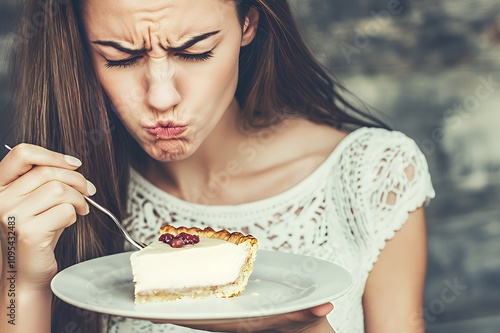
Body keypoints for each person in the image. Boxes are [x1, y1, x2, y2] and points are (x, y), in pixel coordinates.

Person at [0, 0, 435, 332]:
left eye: (195, 51)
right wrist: (20, 277)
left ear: (248, 24)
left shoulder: (375, 174)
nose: (161, 98)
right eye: (121, 56)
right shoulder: (56, 200)